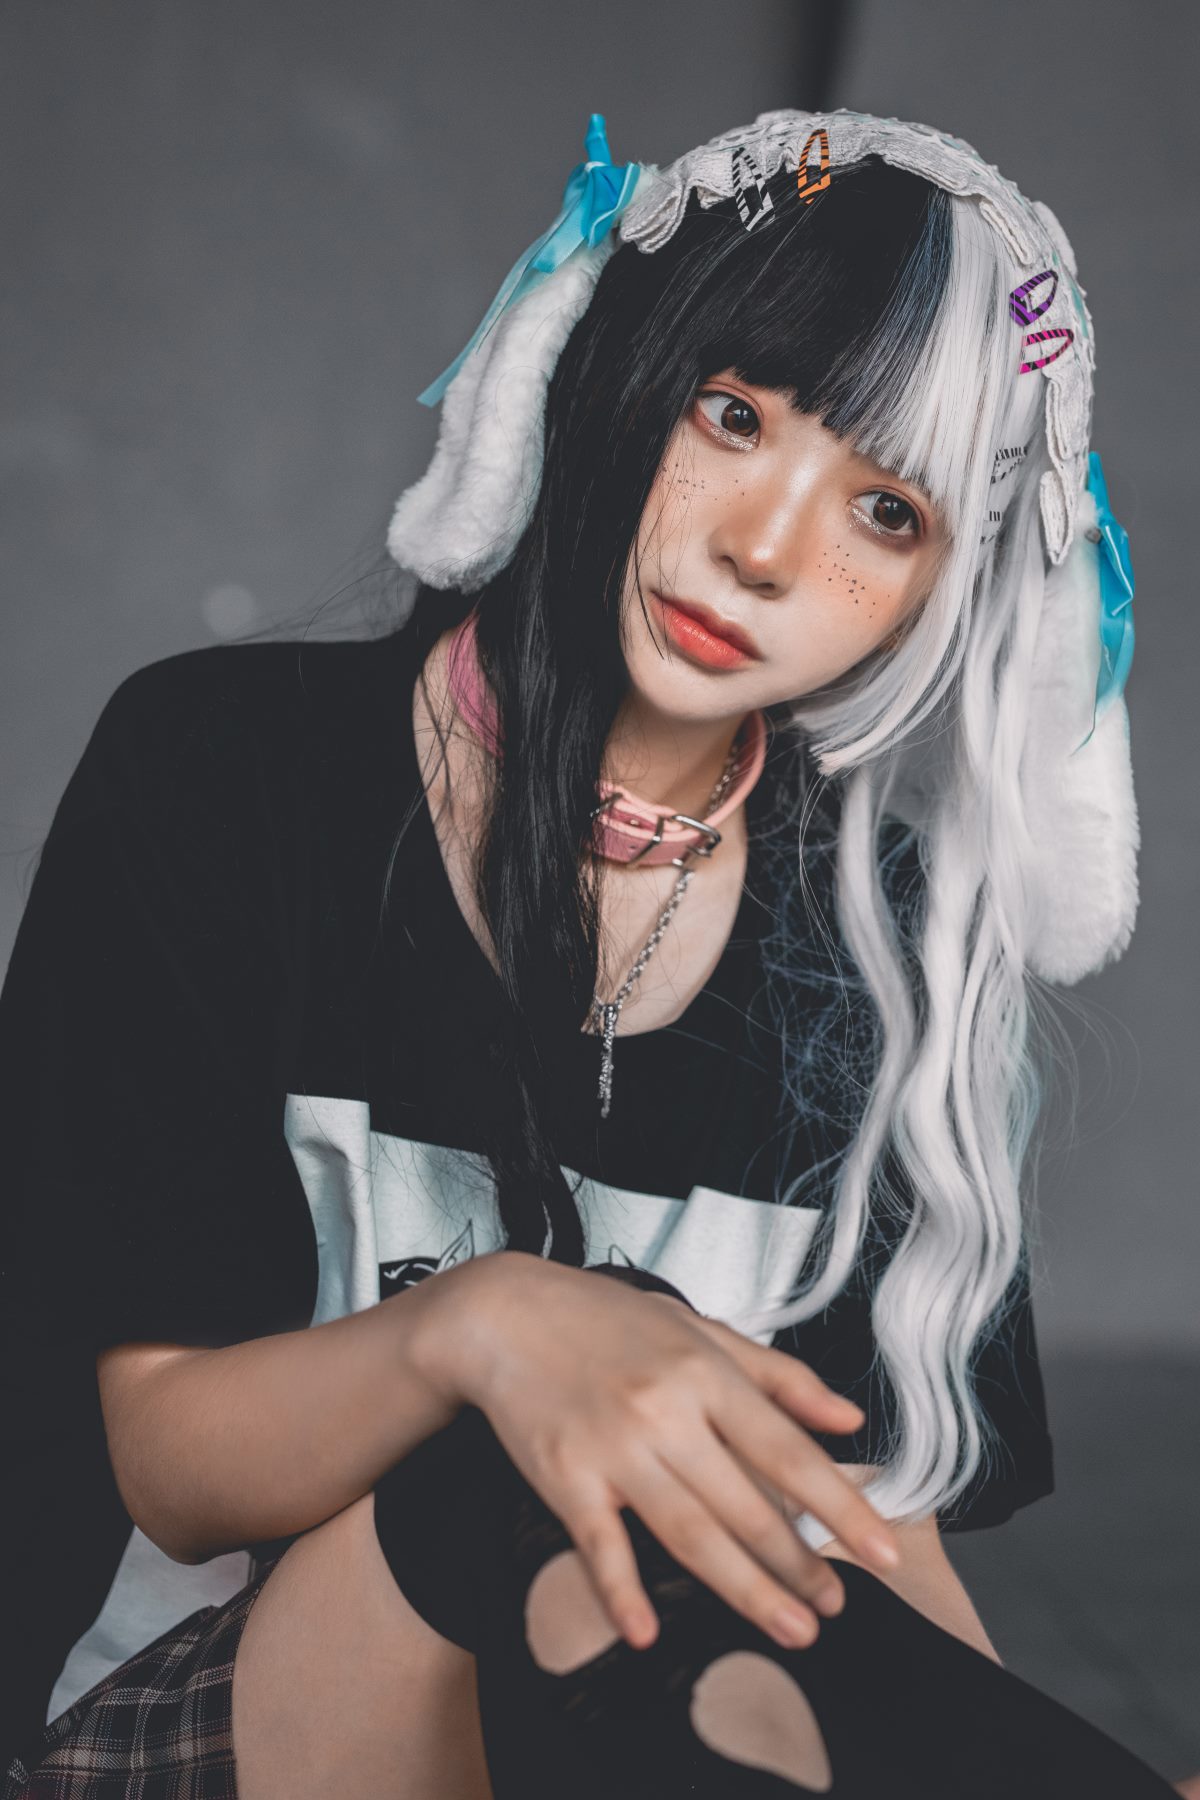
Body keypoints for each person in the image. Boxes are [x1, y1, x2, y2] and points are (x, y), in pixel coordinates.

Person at [1, 105, 1177, 1797]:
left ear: (944, 589)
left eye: (885, 511)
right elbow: (172, 1467)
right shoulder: (226, 772)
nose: (764, 551)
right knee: (526, 1438)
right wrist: (484, 1327)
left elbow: (852, 1540)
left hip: (594, 1742)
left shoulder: (888, 938)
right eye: (734, 416)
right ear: (619, 367)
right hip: (188, 1728)